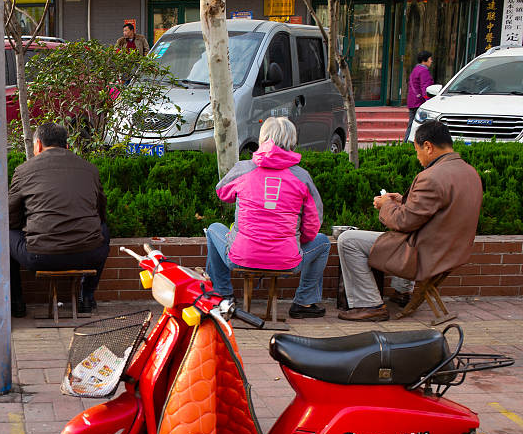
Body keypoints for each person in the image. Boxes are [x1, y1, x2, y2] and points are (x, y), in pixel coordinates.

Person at [337, 120, 482, 322]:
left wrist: (385, 205)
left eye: (417, 150)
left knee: (348, 240)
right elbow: (435, 210)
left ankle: (370, 304)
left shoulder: (431, 176)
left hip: (426, 254)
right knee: (404, 235)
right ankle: (402, 292)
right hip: (453, 251)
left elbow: (404, 221)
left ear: (428, 146)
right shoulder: (470, 172)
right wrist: (401, 200)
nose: (417, 156)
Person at [204, 117, 330, 319]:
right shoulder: (302, 176)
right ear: (292, 141)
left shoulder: (244, 168)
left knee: (213, 229)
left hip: (240, 255)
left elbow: (222, 193)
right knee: (323, 242)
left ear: (263, 138)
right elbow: (313, 224)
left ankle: (222, 296)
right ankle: (304, 303)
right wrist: (294, 241)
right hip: (287, 259)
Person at [8, 122, 110, 318]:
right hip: (89, 254)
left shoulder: (23, 170)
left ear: (38, 145)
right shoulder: (90, 169)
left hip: (40, 257)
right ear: (67, 146)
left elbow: (11, 218)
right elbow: (101, 213)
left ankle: (16, 302)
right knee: (104, 229)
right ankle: (86, 297)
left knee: (5, 233)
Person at [405, 50, 434, 142]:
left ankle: (406, 142)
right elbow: (425, 86)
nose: (431, 61)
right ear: (424, 60)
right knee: (423, 124)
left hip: (412, 100)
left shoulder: (415, 70)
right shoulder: (424, 71)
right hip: (420, 102)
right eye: (430, 59)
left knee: (411, 124)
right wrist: (427, 99)